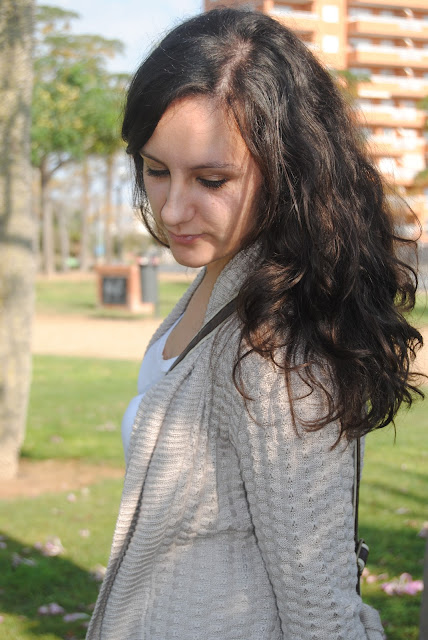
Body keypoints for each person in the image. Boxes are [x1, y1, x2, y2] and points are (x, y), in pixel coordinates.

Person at [86, 8, 424, 640]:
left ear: (288, 172)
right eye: (156, 170)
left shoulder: (276, 356)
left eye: (211, 179)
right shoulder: (221, 276)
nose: (173, 208)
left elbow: (320, 615)